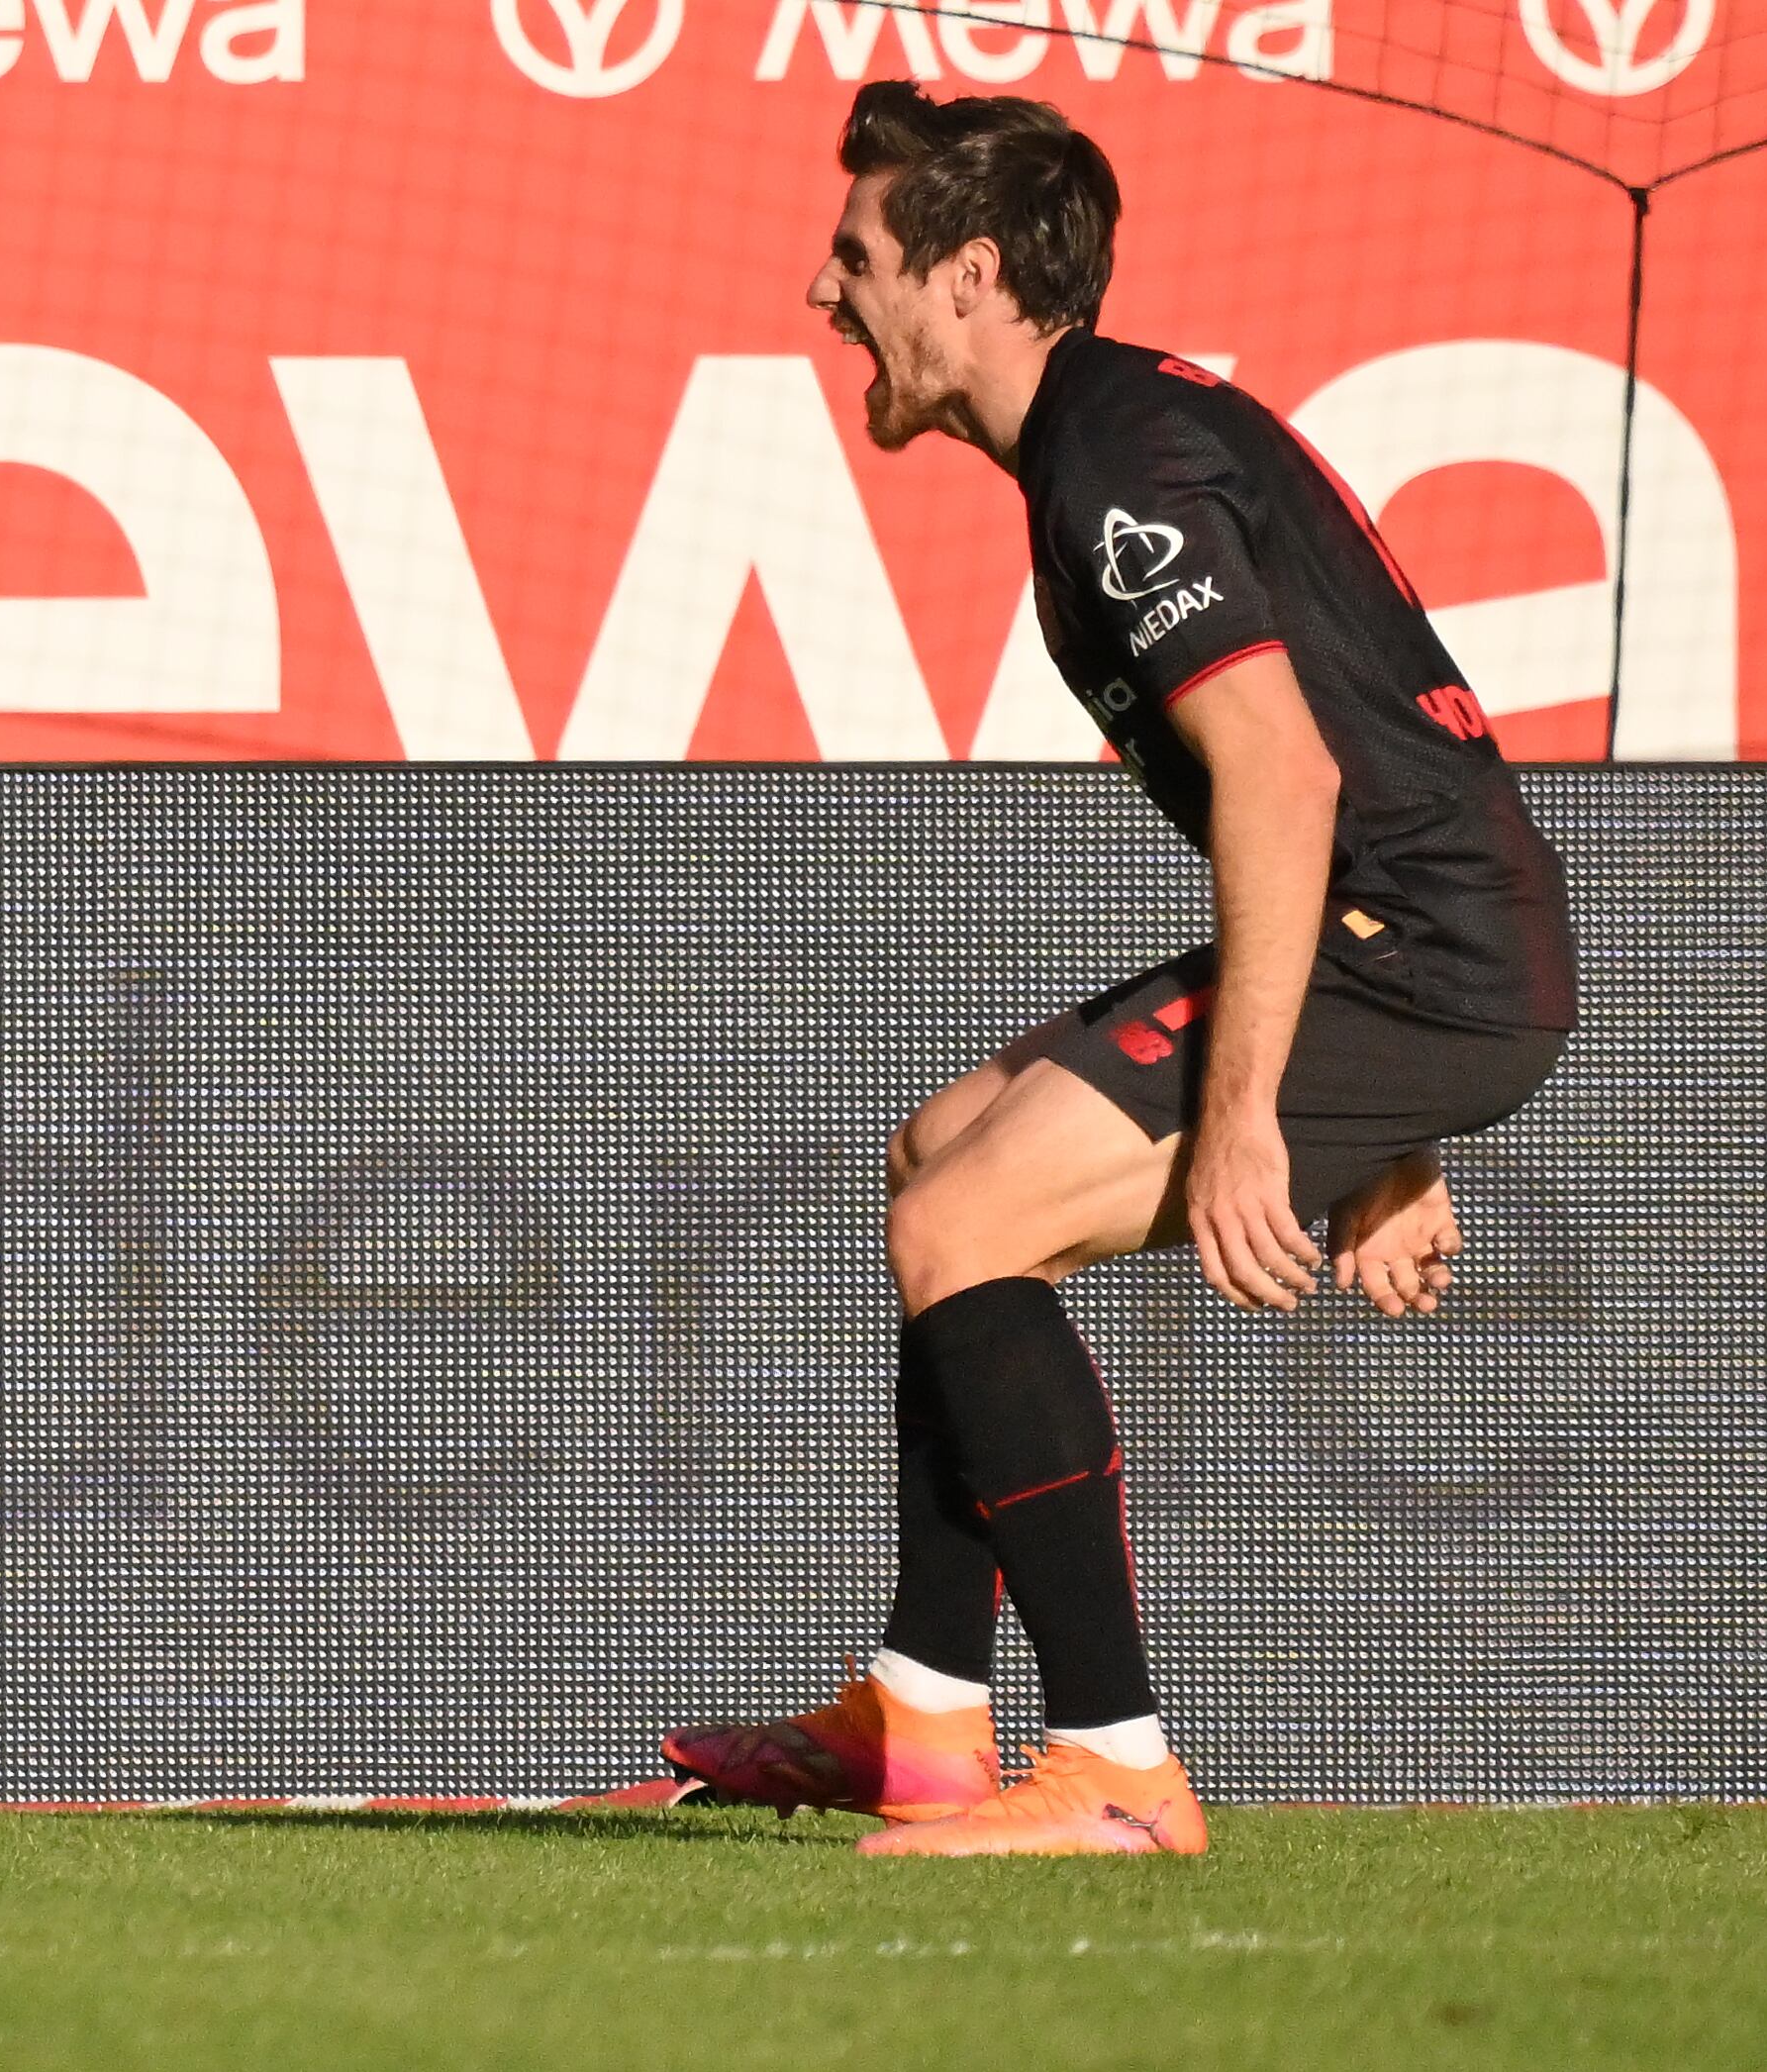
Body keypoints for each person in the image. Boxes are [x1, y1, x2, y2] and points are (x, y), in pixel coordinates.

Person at [660, 83, 1577, 1857]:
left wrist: (1270, 1122)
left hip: (1428, 959)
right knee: (943, 1153)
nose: (823, 291)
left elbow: (1291, 775)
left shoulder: (1111, 467)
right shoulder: (1122, 425)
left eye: (856, 255)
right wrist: (1387, 1129)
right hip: (1418, 951)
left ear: (969, 274)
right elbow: (1378, 731)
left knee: (961, 1227)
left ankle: (1121, 1769)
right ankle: (927, 1710)